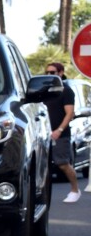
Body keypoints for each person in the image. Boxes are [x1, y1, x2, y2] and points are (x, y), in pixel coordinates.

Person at [45, 61, 81, 203]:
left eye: (52, 73)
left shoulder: (66, 91)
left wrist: (59, 130)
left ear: (60, 73)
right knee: (44, 166)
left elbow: (69, 113)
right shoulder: (46, 91)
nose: (49, 75)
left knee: (63, 164)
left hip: (60, 134)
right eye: (47, 73)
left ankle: (75, 190)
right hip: (44, 134)